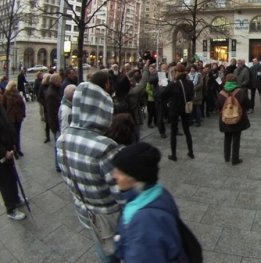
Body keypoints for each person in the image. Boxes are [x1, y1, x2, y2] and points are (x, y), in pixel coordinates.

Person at [56, 81, 121, 263]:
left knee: (102, 250)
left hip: (85, 212)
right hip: (109, 216)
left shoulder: (62, 140)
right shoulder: (104, 146)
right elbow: (120, 192)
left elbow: (68, 179)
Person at [111, 142, 187, 262]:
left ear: (135, 177)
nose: (114, 175)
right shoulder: (158, 192)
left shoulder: (144, 221)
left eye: (120, 172)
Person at [158, 64, 195, 161]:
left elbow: (162, 96)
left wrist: (161, 86)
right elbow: (191, 95)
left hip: (174, 110)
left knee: (173, 132)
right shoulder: (190, 83)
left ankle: (173, 155)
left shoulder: (173, 84)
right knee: (187, 131)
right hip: (186, 109)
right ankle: (191, 152)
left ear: (177, 72)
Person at [216, 74, 250, 165]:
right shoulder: (241, 92)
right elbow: (247, 104)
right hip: (237, 119)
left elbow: (218, 106)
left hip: (225, 119)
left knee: (227, 138)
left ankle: (226, 157)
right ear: (235, 81)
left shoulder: (221, 93)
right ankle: (235, 159)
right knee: (236, 139)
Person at [0, 104, 26, 221]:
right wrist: (3, 152)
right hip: (3, 154)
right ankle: (11, 209)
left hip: (8, 148)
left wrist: (13, 143)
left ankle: (15, 198)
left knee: (12, 178)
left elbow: (7, 125)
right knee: (5, 182)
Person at [2, 81, 26, 157]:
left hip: (18, 117)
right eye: (13, 86)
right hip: (10, 118)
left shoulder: (18, 94)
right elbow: (4, 106)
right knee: (12, 134)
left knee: (17, 134)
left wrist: (23, 114)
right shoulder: (6, 94)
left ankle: (18, 149)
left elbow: (22, 105)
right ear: (10, 86)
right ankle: (14, 151)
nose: (15, 87)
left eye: (15, 86)